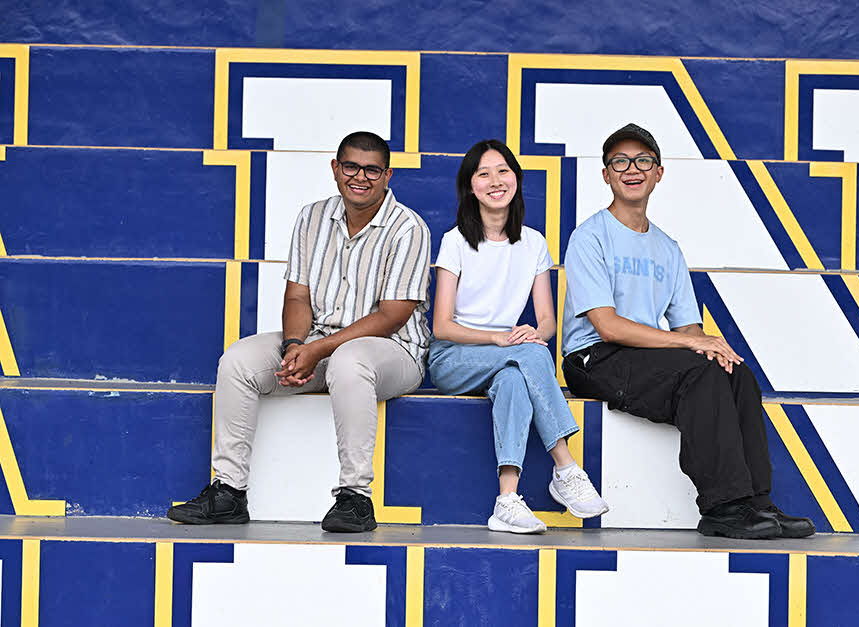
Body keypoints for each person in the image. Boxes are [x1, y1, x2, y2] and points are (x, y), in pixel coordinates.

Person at [168, 131, 432, 533]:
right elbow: (297, 297)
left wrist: (317, 349)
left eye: (372, 170)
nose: (360, 177)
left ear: (388, 175)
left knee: (350, 360)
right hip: (320, 343)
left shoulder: (408, 227)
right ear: (335, 168)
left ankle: (355, 498)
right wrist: (295, 346)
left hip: (393, 352)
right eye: (351, 167)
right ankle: (229, 492)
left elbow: (392, 316)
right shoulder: (312, 217)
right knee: (238, 361)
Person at [561, 124, 815, 539]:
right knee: (700, 373)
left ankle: (756, 502)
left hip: (644, 356)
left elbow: (688, 328)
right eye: (620, 162)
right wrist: (691, 344)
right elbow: (606, 326)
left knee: (735, 372)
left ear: (658, 173)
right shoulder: (589, 237)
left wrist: (708, 348)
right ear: (606, 174)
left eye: (643, 161)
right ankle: (723, 508)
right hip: (593, 358)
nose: (632, 169)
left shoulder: (667, 247)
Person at [428, 139, 608, 534]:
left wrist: (531, 332)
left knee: (514, 378)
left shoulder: (534, 242)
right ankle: (565, 467)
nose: (495, 181)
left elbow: (547, 322)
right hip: (453, 358)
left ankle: (506, 500)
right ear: (470, 186)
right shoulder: (455, 241)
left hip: (505, 359)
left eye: (503, 171)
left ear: (517, 179)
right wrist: (498, 338)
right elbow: (441, 326)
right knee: (531, 356)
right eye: (484, 174)